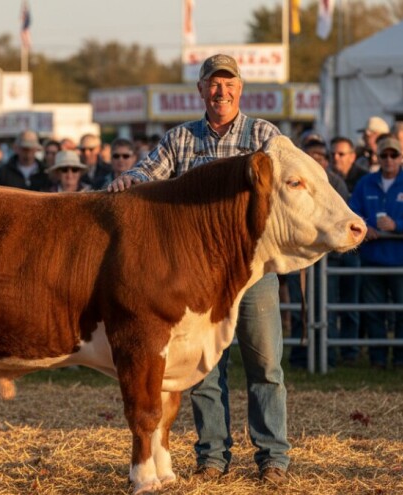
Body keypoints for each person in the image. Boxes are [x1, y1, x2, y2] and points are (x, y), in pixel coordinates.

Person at [108, 53, 289, 485]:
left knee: (265, 364)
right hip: (199, 278)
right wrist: (128, 180)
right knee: (204, 370)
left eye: (228, 83)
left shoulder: (265, 136)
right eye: (212, 83)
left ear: (240, 90)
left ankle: (273, 459)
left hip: (252, 270)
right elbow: (149, 170)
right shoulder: (181, 139)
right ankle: (212, 456)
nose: (220, 91)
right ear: (201, 90)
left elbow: (286, 188)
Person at [348, 135, 403, 370]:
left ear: (402, 157)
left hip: (402, 260)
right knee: (374, 313)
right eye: (384, 155)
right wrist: (366, 228)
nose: (389, 159)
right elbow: (352, 213)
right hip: (372, 258)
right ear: (378, 157)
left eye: (394, 155)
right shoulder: (366, 183)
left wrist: (397, 226)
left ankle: (402, 359)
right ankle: (378, 358)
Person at [286, 139, 349, 369]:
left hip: (326, 258)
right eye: (311, 155)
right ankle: (300, 355)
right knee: (298, 308)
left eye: (321, 156)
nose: (316, 160)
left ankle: (327, 357)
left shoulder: (335, 184)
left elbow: (343, 218)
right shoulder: (293, 183)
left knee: (325, 307)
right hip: (299, 257)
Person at [328, 136, 365, 363]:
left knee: (351, 303)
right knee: (330, 304)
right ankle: (330, 351)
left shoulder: (362, 179)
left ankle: (350, 350)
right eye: (333, 154)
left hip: (353, 250)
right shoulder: (322, 178)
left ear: (352, 156)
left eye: (341, 154)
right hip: (332, 252)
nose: (336, 158)